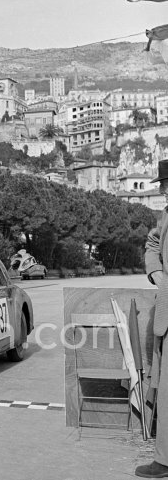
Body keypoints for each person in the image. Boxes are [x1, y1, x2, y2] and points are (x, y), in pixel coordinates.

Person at [137, 160, 168, 478]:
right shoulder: (167, 213)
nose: (161, 188)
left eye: (166, 182)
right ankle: (164, 460)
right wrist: (157, 274)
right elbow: (154, 242)